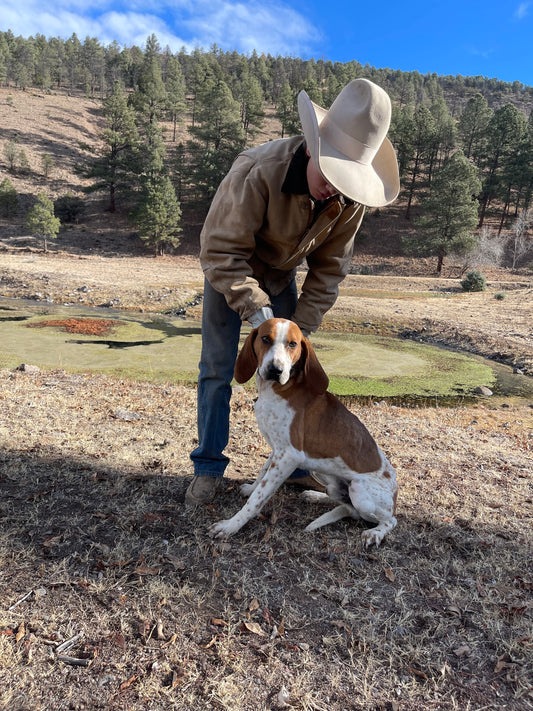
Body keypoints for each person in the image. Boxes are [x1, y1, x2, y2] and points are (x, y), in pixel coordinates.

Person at [186, 78, 400, 506]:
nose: (336, 189)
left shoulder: (347, 202)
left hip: (282, 279)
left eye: (347, 181)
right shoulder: (257, 169)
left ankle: (298, 468)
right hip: (232, 275)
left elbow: (330, 271)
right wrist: (254, 310)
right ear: (312, 148)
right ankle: (208, 467)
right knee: (216, 369)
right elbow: (219, 250)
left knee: (295, 372)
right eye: (333, 173)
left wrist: (298, 328)